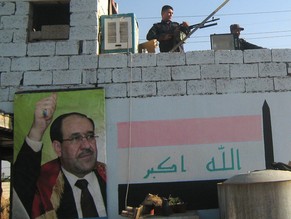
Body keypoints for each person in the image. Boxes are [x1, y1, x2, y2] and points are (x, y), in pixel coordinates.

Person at [12, 93, 107, 219]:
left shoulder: (109, 175)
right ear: (58, 148)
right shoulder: (44, 185)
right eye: (75, 138)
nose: (86, 145)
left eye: (90, 136)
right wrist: (37, 129)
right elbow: (20, 190)